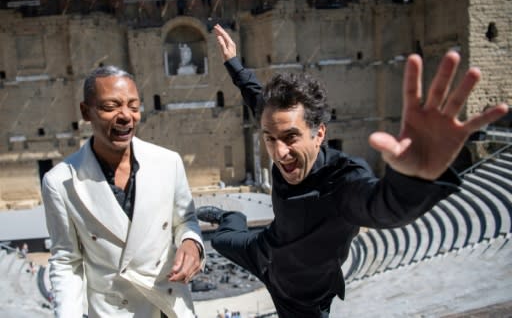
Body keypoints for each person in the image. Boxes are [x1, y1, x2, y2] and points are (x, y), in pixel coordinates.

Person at [195, 24, 509, 318]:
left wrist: (415, 178)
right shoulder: (277, 127)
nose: (279, 153)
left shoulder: (342, 180)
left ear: (319, 134)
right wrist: (234, 63)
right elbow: (257, 99)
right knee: (222, 237)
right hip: (262, 251)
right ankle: (228, 217)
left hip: (302, 296)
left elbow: (383, 208)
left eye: (291, 138)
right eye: (270, 139)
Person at [42, 65, 205, 318]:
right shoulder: (60, 181)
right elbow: (66, 261)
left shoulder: (168, 162)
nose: (126, 116)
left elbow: (184, 220)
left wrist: (192, 243)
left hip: (169, 306)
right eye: (111, 107)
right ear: (86, 112)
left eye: (133, 106)